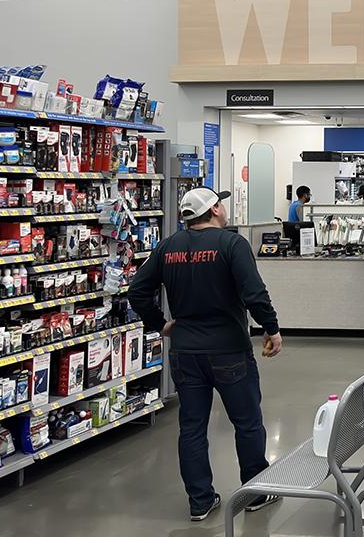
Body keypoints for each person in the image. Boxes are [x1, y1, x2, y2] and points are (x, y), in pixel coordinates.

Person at [128, 187, 284, 522]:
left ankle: (200, 501)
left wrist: (161, 325)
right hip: (229, 350)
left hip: (185, 352)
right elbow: (254, 293)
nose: (224, 208)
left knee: (192, 427)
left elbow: (138, 290)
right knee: (247, 423)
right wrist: (272, 329)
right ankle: (255, 493)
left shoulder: (168, 247)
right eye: (221, 203)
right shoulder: (232, 244)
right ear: (214, 210)